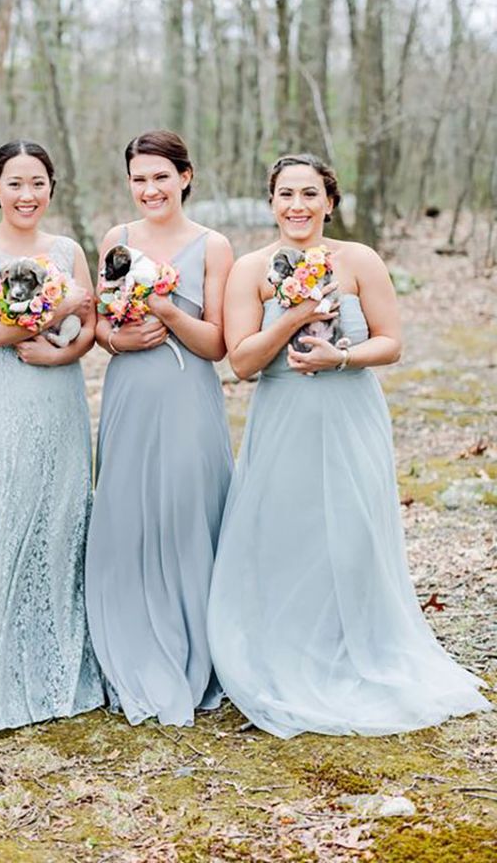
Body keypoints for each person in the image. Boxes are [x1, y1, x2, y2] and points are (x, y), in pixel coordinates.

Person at [207, 153, 491, 737]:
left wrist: (341, 356)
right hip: (284, 415)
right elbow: (241, 363)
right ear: (271, 203)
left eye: (310, 194)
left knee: (353, 536)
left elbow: (391, 343)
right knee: (289, 532)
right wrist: (292, 318)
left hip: (351, 412)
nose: (298, 205)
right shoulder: (251, 269)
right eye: (286, 194)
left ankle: (357, 647)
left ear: (330, 202)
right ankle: (288, 651)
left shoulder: (360, 260)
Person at [85, 130, 234, 726]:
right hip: (129, 392)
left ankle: (195, 647)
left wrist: (168, 309)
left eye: (161, 177)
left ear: (186, 176)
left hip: (186, 394)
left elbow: (218, 343)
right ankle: (130, 639)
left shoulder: (212, 245)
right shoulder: (115, 240)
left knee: (184, 509)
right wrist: (118, 337)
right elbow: (99, 326)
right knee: (128, 512)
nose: (150, 189)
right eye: (139, 179)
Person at [0, 139, 103, 732]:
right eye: (15, 183)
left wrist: (63, 351)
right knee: (10, 511)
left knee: (65, 513)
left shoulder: (69, 249)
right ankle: (5, 673)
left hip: (60, 394)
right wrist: (62, 303)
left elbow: (92, 324)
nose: (27, 195)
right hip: (2, 398)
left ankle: (64, 665)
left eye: (38, 182)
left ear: (51, 187)